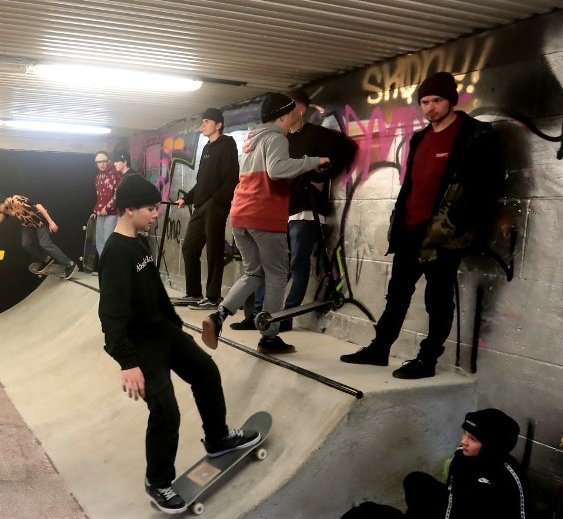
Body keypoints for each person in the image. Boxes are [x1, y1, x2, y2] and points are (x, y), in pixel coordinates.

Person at [97, 173, 260, 514]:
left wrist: (176, 328)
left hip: (165, 334)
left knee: (206, 372)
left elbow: (154, 294)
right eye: (149, 208)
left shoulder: (139, 242)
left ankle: (217, 438)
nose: (155, 214)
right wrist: (127, 362)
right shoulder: (114, 254)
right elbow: (110, 315)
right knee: (166, 412)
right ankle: (158, 482)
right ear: (129, 210)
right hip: (141, 346)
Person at [340, 71, 503, 378]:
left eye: (437, 101)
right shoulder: (419, 137)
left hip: (444, 233)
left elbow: (485, 188)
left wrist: (460, 224)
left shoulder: (476, 134)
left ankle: (427, 359)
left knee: (438, 301)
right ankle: (380, 349)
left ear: (451, 100)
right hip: (410, 229)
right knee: (397, 294)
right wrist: (398, 223)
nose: (430, 107)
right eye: (425, 102)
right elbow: (411, 185)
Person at [201, 93, 329, 355]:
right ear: (282, 116)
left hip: (241, 215)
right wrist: (314, 161)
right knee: (277, 276)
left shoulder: (252, 139)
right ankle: (270, 337)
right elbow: (277, 170)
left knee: (254, 273)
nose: (298, 115)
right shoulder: (276, 138)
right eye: (293, 112)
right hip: (263, 216)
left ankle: (218, 316)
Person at [230, 89, 358, 331]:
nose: (289, 115)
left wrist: (324, 176)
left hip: (304, 209)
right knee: (269, 269)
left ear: (300, 110)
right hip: (277, 210)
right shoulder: (277, 136)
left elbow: (347, 149)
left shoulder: (316, 134)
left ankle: (283, 318)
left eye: (293, 109)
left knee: (296, 265)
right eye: (285, 111)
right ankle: (259, 316)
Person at [403, 408, 529, 519]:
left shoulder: (509, 476)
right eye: (464, 434)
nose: (464, 442)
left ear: (491, 445)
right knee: (416, 481)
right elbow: (453, 500)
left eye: (473, 439)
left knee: (481, 494)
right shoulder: (461, 459)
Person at [172, 108, 240, 310]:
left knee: (214, 251)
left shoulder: (227, 145)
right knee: (189, 247)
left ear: (218, 125)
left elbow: (231, 179)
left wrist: (215, 200)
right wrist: (188, 198)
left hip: (215, 206)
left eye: (207, 121)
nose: (202, 125)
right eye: (202, 121)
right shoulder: (207, 148)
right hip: (201, 206)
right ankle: (194, 293)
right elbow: (202, 182)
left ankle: (213, 297)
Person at [0, 191, 78, 279]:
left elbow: (39, 206)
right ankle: (46, 259)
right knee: (26, 243)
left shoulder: (17, 201)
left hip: (40, 221)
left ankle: (70, 264)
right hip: (27, 224)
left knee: (45, 244)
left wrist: (51, 222)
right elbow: (4, 214)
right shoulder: (6, 207)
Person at [93, 150, 121, 258]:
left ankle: (110, 267)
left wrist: (107, 207)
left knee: (108, 240)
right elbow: (99, 197)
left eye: (104, 161)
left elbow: (117, 195)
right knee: (99, 241)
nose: (102, 164)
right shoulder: (97, 177)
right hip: (100, 213)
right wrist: (96, 211)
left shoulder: (115, 175)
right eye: (99, 162)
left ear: (108, 161)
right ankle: (104, 267)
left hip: (112, 213)